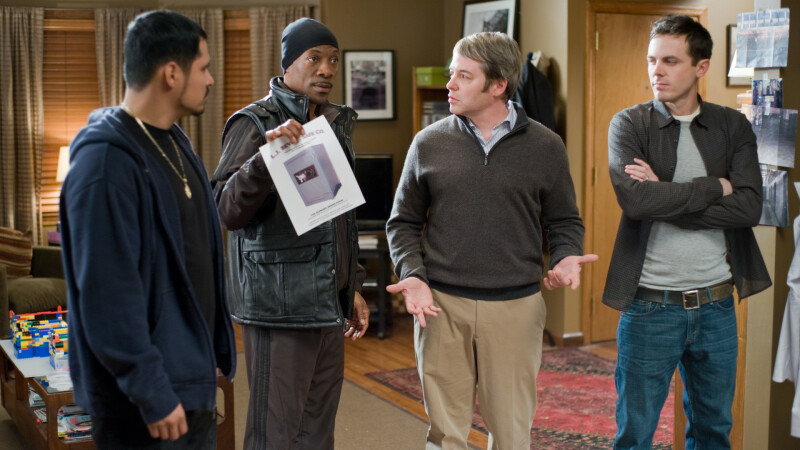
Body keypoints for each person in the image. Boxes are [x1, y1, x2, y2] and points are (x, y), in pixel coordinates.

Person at [386, 31, 597, 449]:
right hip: (442, 306)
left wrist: (566, 255)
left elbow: (564, 220)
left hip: (516, 307)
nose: (450, 84)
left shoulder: (546, 146)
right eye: (452, 73)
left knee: (512, 432)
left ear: (498, 85)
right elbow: (402, 222)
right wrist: (413, 275)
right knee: (445, 434)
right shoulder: (428, 143)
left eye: (464, 76)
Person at [59, 10, 236, 449]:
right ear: (171, 73)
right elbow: (106, 296)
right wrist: (151, 390)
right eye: (204, 68)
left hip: (188, 380)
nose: (211, 80)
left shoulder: (176, 141)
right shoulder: (104, 164)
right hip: (144, 403)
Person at [604, 15, 772, 449]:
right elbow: (636, 203)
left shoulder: (732, 126)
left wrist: (664, 195)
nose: (656, 71)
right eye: (651, 60)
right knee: (634, 436)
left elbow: (749, 207)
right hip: (648, 307)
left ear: (701, 67)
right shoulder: (629, 125)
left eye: (670, 61)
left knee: (714, 432)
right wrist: (715, 187)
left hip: (716, 306)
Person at [210, 18, 369, 449]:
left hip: (327, 304)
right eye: (314, 58)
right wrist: (266, 158)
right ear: (288, 64)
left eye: (333, 60)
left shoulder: (334, 123)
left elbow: (339, 217)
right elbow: (225, 210)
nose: (327, 69)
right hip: (278, 306)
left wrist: (351, 286)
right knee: (274, 434)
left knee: (317, 432)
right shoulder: (253, 123)